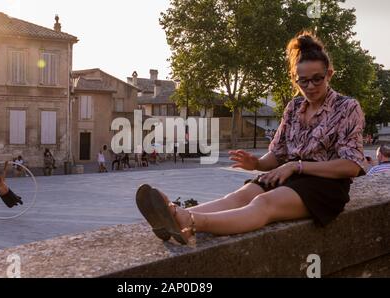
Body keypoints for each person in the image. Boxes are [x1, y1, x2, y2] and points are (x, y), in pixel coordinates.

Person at [136, 32, 366, 245]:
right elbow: (277, 155)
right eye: (302, 81)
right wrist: (256, 163)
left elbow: (351, 166)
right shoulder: (294, 106)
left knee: (264, 204)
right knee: (241, 195)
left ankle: (191, 222)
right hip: (291, 175)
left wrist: (297, 166)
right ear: (295, 79)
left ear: (329, 74)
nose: (310, 86)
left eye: (317, 79)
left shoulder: (346, 107)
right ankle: (175, 216)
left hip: (326, 186)